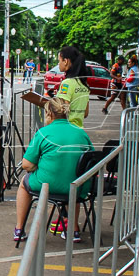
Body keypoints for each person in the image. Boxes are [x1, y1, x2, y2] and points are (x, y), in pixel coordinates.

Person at [15, 97, 93, 243]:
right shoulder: (81, 133)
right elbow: (92, 159)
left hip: (47, 184)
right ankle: (73, 229)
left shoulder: (44, 133)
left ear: (49, 113)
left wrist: (38, 166)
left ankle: (19, 228)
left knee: (23, 184)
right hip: (78, 186)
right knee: (73, 182)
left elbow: (26, 165)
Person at [55, 46, 91, 128]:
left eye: (59, 60)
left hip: (67, 130)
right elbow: (85, 113)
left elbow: (62, 111)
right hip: (79, 130)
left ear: (66, 61)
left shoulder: (66, 83)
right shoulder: (84, 84)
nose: (58, 64)